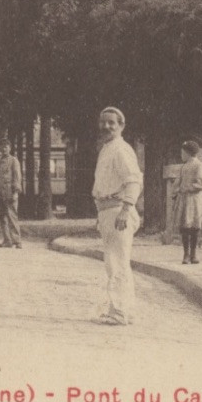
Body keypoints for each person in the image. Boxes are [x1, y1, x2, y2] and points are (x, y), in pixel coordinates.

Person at [91, 106, 142, 326]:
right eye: (103, 122)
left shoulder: (121, 149)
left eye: (112, 122)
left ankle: (119, 312)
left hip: (118, 210)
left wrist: (125, 209)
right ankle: (124, 310)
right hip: (107, 211)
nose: (107, 126)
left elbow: (133, 180)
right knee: (116, 263)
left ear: (121, 125)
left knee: (117, 263)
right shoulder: (107, 148)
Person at [173, 140, 202, 265]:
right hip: (184, 200)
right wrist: (176, 189)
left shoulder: (199, 166)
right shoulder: (184, 166)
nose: (181, 154)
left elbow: (201, 184)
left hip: (194, 200)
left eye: (183, 152)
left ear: (188, 153)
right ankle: (186, 254)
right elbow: (178, 182)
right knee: (185, 226)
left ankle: (193, 254)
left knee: (194, 226)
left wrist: (186, 188)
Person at [0, 140, 23, 248]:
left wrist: (16, 192)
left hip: (10, 193)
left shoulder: (14, 161)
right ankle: (7, 240)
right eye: (2, 147)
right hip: (1, 195)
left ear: (10, 148)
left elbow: (17, 177)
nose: (4, 149)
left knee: (12, 217)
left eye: (6, 147)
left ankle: (17, 241)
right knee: (2, 218)